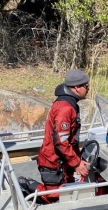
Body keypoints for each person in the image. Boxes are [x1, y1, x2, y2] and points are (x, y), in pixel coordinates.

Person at [35, 69, 91, 203]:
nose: (88, 89)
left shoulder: (70, 104)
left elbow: (70, 138)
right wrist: (76, 163)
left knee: (69, 192)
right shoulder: (65, 109)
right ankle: (28, 188)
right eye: (86, 86)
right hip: (54, 162)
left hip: (64, 160)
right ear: (77, 88)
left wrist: (76, 159)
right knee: (54, 198)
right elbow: (61, 141)